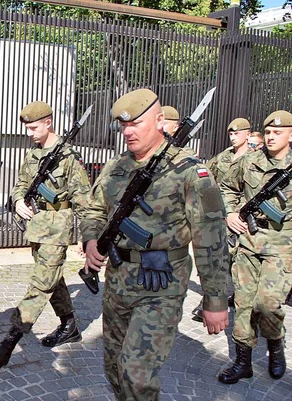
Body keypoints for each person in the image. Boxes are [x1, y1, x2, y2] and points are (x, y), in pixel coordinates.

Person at [80, 88, 229, 400]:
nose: (128, 132)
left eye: (137, 123)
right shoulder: (116, 167)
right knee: (115, 369)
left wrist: (215, 300)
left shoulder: (191, 171)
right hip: (118, 283)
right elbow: (94, 208)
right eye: (123, 126)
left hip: (161, 285)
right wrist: (92, 239)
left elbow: (210, 237)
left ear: (161, 121)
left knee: (136, 372)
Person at [0, 101, 93, 369]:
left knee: (41, 284)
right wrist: (19, 199)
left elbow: (84, 200)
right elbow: (21, 184)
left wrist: (88, 239)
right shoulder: (32, 155)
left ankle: (9, 341)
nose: (30, 132)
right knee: (52, 278)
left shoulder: (68, 157)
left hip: (58, 227)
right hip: (37, 227)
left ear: (48, 122)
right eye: (27, 128)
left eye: (34, 127)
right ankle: (69, 325)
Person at [218, 110, 292, 384]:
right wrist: (231, 213)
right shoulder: (249, 161)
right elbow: (227, 187)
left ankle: (275, 343)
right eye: (269, 132)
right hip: (248, 242)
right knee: (244, 303)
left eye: (278, 132)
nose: (272, 136)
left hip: (282, 242)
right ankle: (242, 362)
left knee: (268, 304)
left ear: (290, 135)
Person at [191, 117, 251, 322]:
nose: (233, 137)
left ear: (248, 134)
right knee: (218, 258)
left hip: (244, 218)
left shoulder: (254, 159)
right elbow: (206, 175)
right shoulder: (224, 156)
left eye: (237, 133)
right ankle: (212, 300)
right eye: (231, 134)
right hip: (223, 215)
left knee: (238, 262)